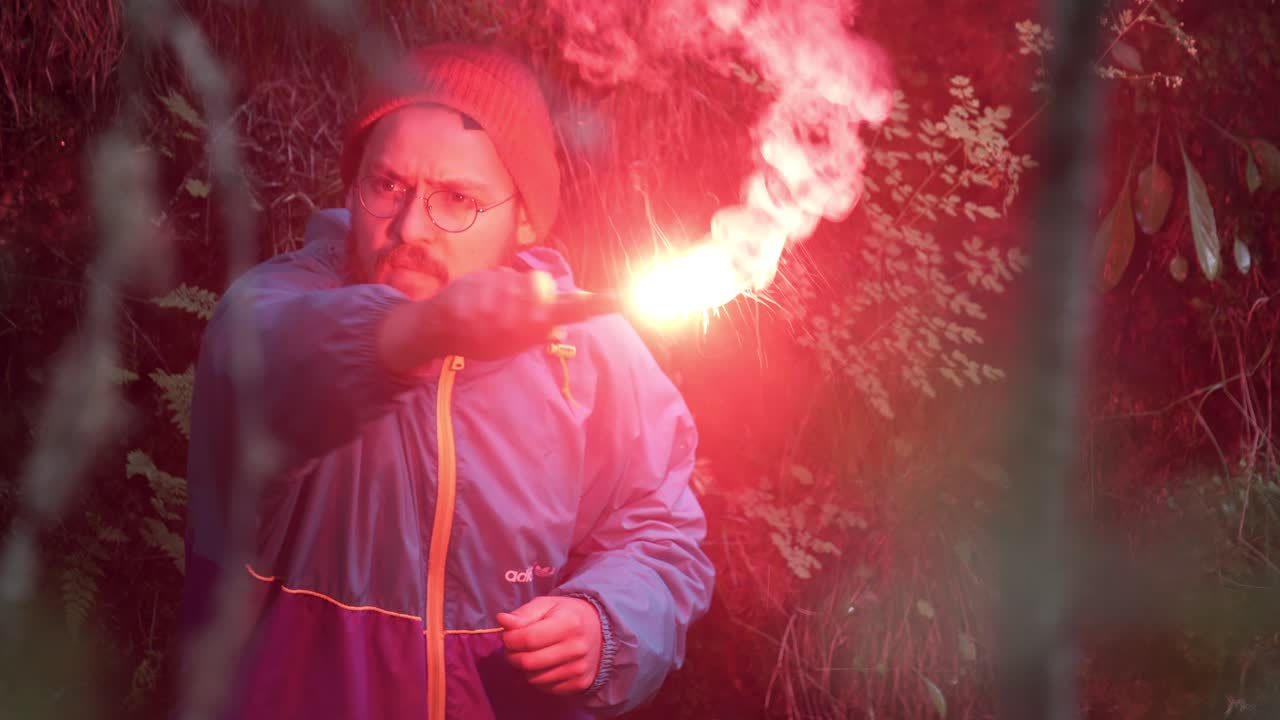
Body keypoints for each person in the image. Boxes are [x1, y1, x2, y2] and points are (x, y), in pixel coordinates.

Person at [178, 42, 714, 719]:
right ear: (353, 186)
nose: (410, 227)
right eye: (387, 186)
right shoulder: (274, 308)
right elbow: (272, 379)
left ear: (523, 217)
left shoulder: (587, 352)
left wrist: (606, 625)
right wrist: (421, 332)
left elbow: (658, 533)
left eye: (456, 198)